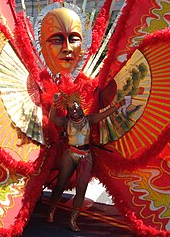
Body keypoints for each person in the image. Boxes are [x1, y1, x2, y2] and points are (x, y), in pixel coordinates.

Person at [46, 93, 120, 232]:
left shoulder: (89, 119)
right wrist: (55, 103)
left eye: (76, 107)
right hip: (70, 154)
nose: (74, 110)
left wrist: (118, 104)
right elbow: (52, 118)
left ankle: (73, 220)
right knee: (60, 185)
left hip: (86, 156)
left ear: (80, 107)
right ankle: (50, 211)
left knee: (82, 189)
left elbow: (105, 114)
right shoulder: (65, 122)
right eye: (71, 109)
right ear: (68, 111)